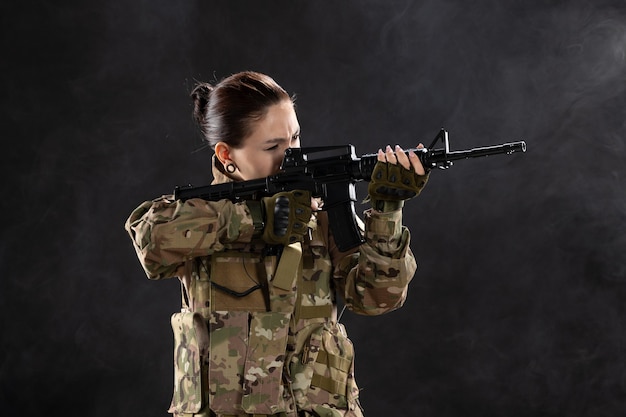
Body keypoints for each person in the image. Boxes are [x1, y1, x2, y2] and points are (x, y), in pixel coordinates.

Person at [125, 71, 429, 417]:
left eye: (295, 138)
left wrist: (388, 212)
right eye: (272, 147)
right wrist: (256, 220)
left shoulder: (323, 215)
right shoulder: (201, 216)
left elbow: (377, 299)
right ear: (227, 154)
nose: (291, 156)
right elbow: (150, 240)